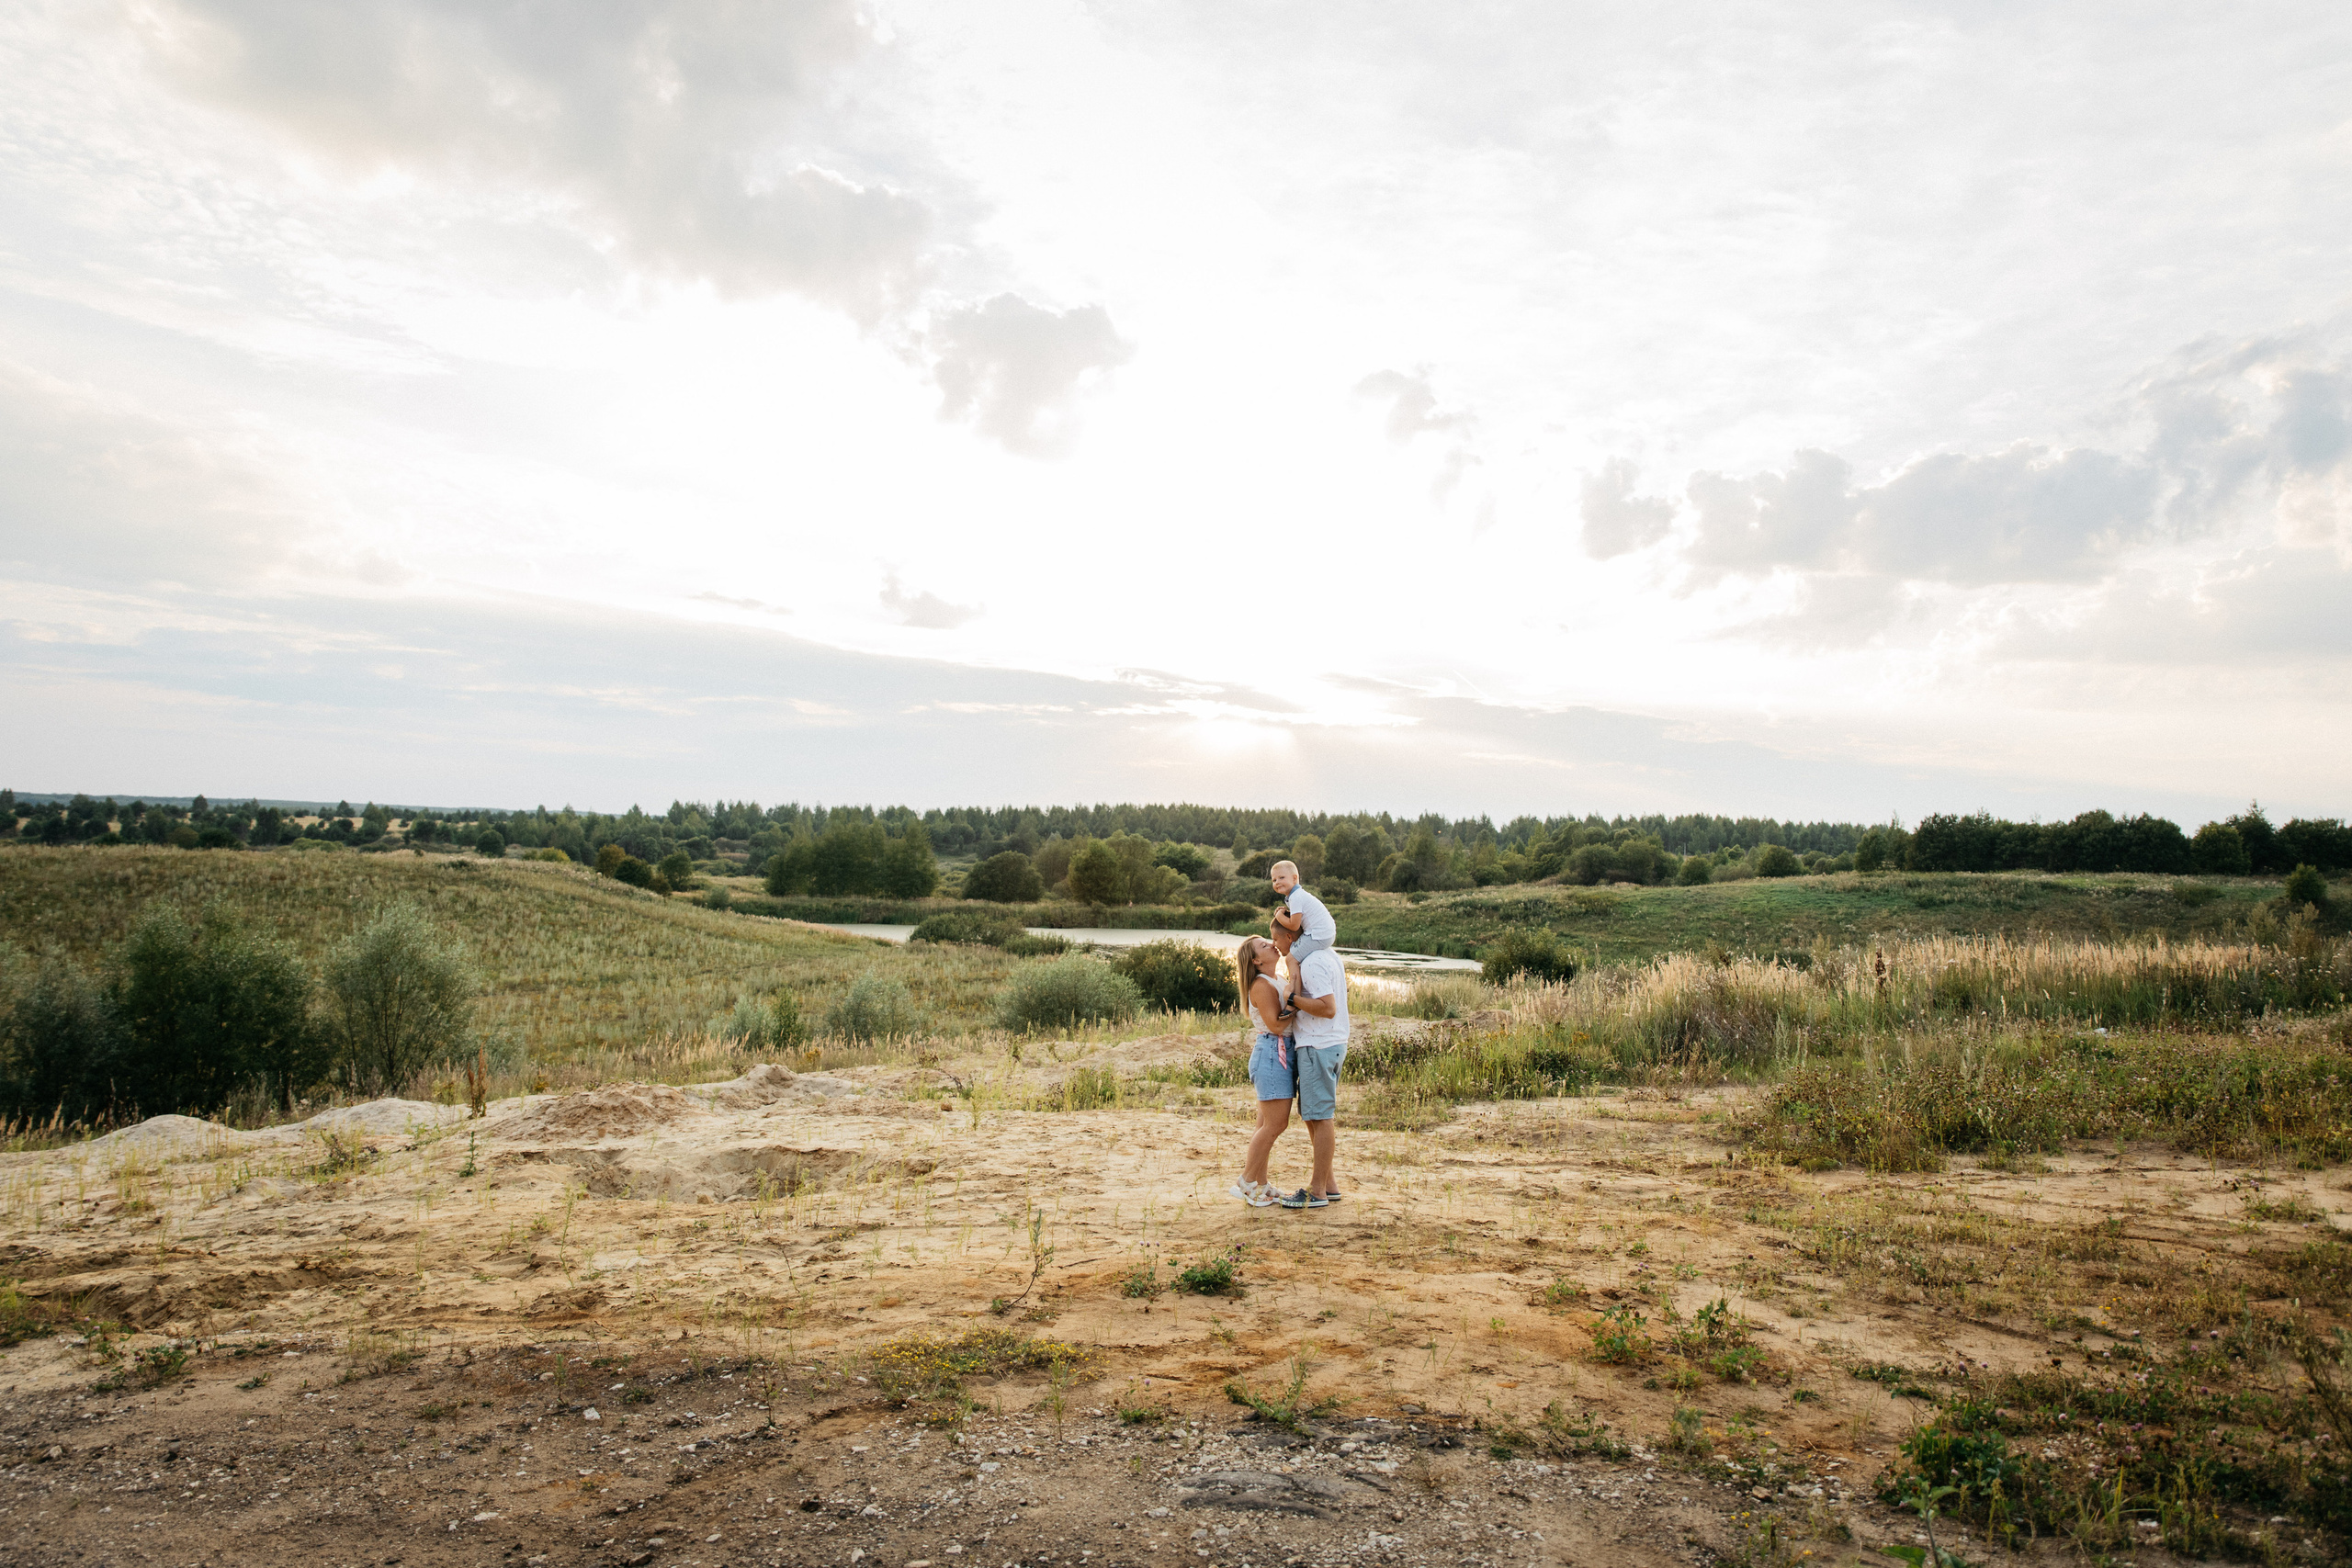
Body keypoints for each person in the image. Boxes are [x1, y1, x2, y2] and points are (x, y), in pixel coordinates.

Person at [1276, 926, 1349, 1210]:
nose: (1275, 945)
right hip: (1325, 1043)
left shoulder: (1313, 962)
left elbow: (1327, 1007)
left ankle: (1317, 1191)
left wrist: (1291, 999)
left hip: (1319, 1045)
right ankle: (1328, 1186)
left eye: (1276, 938)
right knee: (1312, 1114)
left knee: (1320, 1116)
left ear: (1290, 937)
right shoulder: (1327, 955)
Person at [1229, 935, 1295, 1208]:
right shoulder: (1260, 985)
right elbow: (1278, 1026)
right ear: (1256, 960)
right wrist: (1297, 1002)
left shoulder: (1276, 978)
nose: (1270, 943)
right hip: (1272, 1054)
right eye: (1263, 945)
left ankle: (1261, 1183)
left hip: (1279, 1053)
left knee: (1265, 1124)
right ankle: (1245, 1182)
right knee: (1276, 1124)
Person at [1269, 860, 1335, 970]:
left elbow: (1294, 925)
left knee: (1290, 959)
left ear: (1294, 878)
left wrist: (1279, 916)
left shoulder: (1296, 897)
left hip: (1318, 935)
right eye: (1274, 880)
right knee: (1296, 954)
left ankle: (1294, 987)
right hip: (1324, 933)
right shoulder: (1297, 895)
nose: (1277, 882)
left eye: (1281, 878)